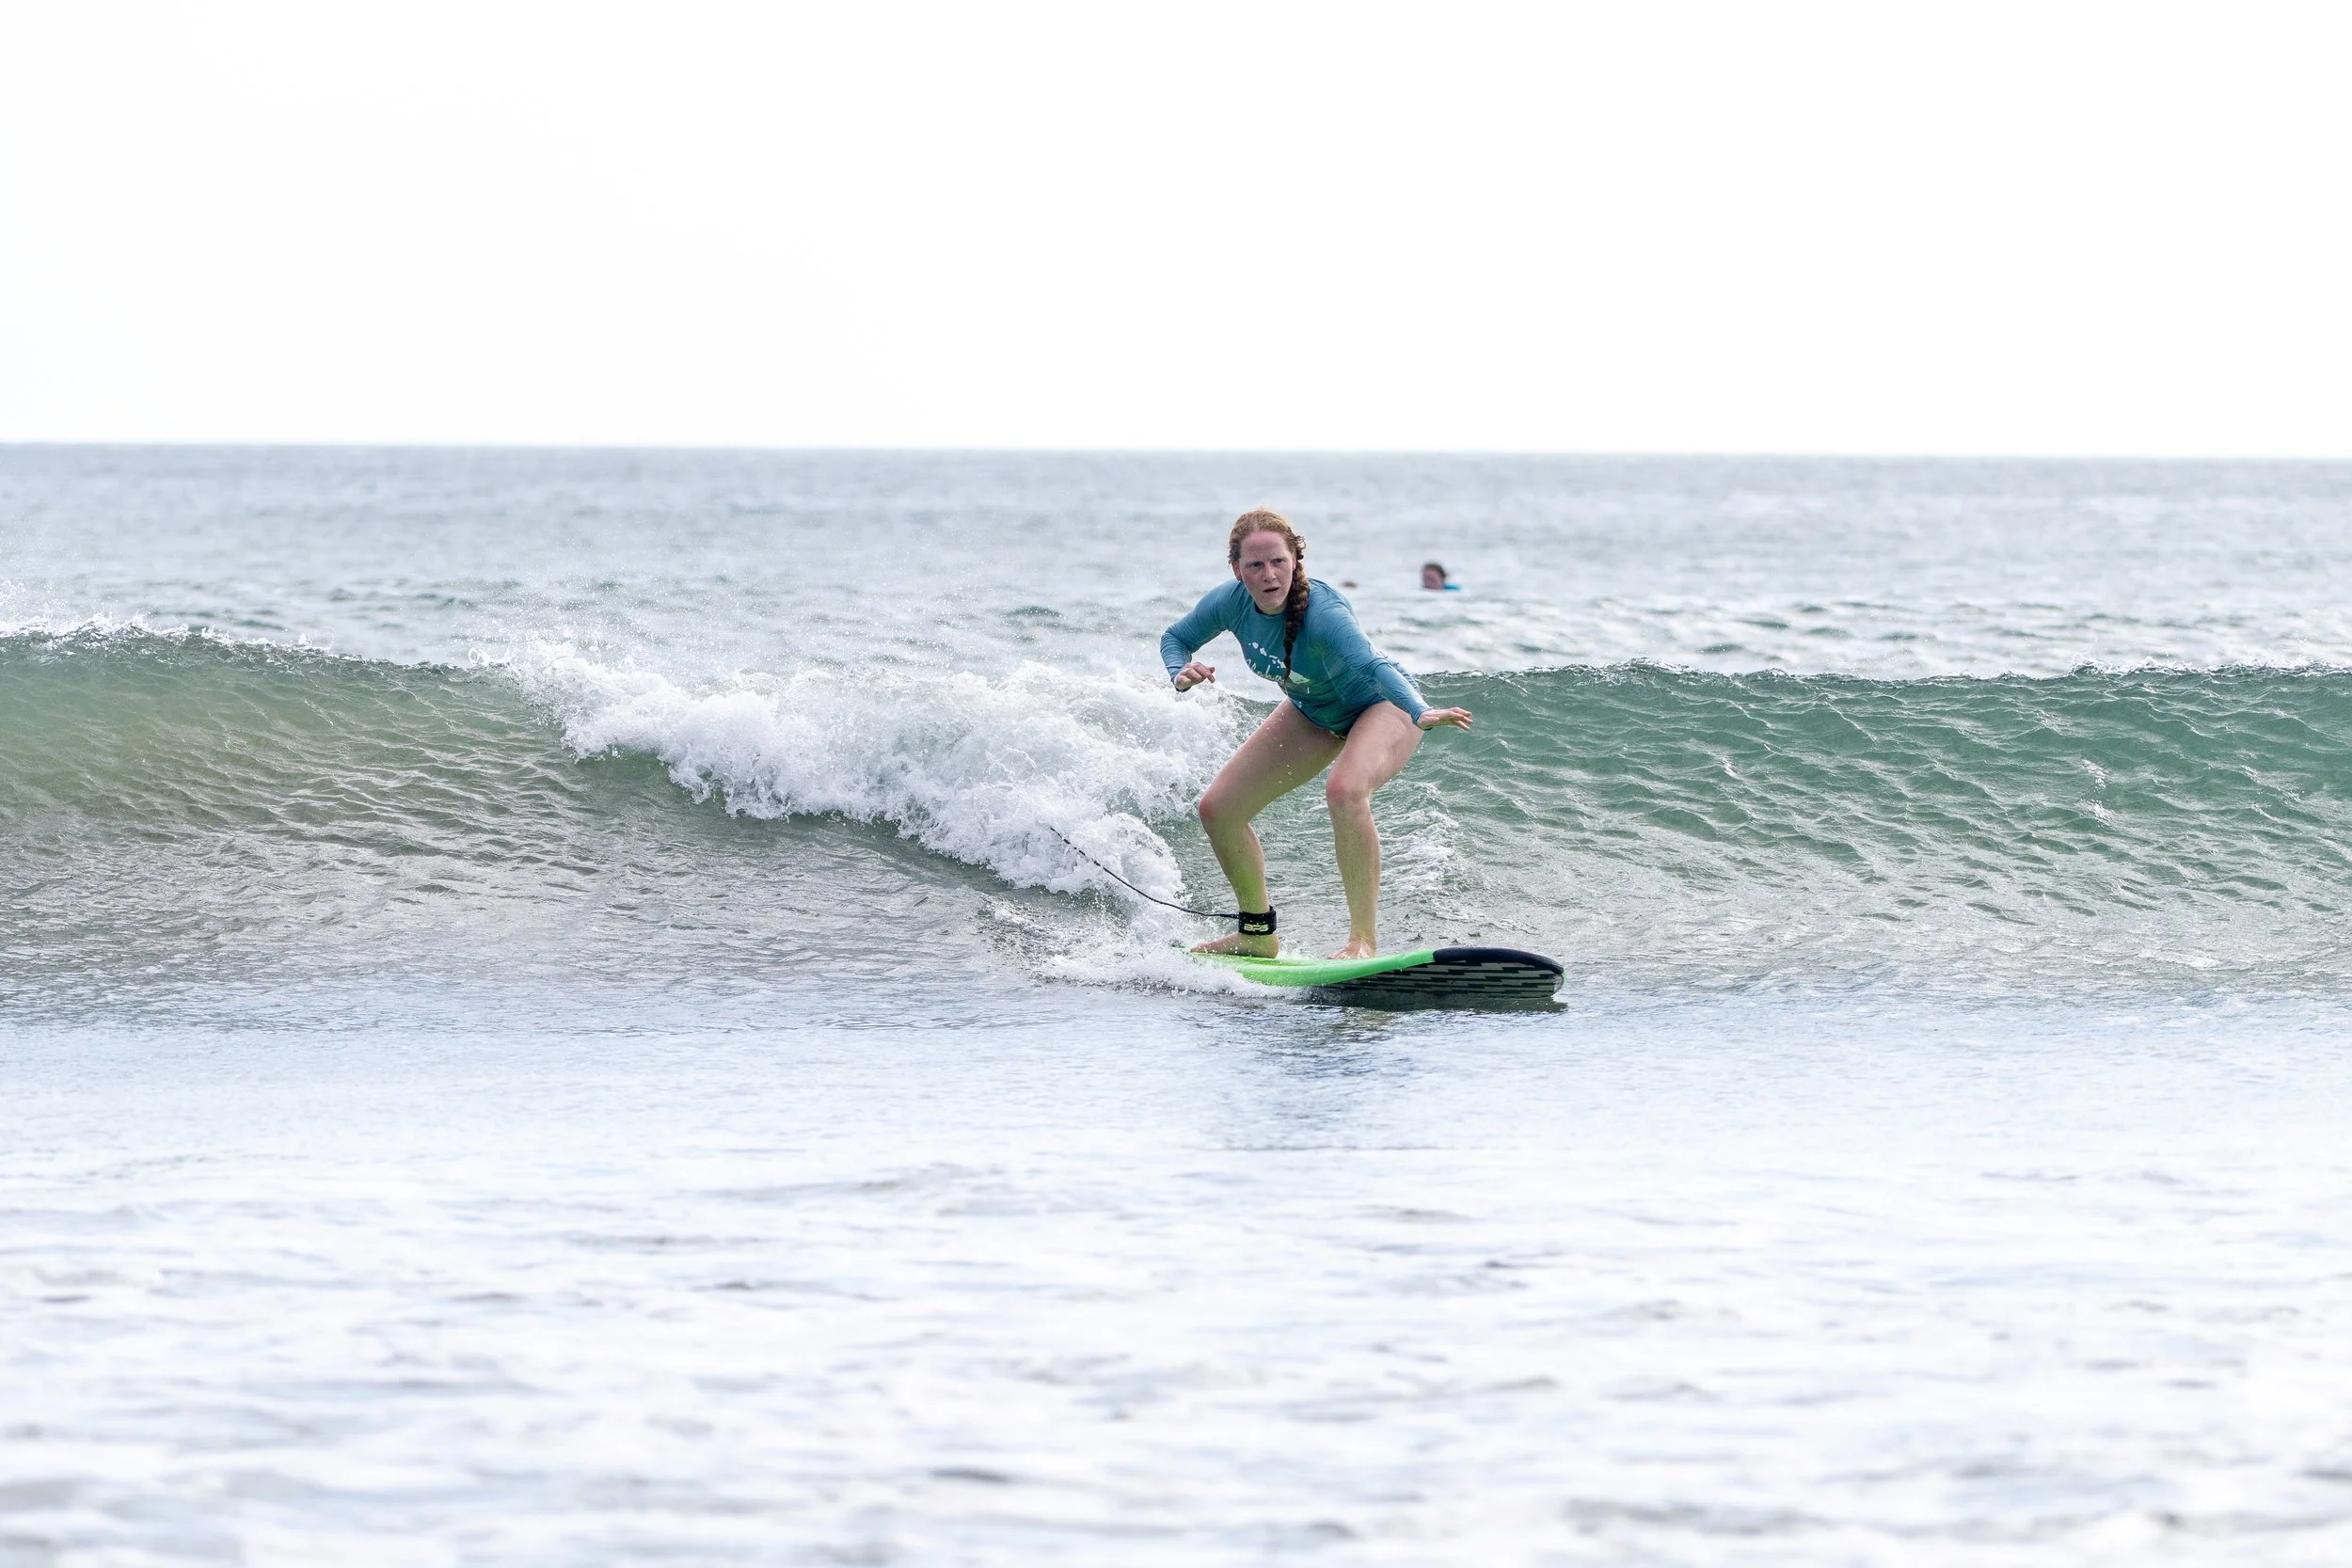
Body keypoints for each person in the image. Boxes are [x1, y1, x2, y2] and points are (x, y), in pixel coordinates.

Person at [1162, 509, 1472, 959]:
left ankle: (1362, 941)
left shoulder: (1323, 610)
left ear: (1295, 561)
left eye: (1279, 562)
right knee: (1218, 809)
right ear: (1237, 570)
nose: (1269, 575)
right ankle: (1256, 934)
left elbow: (1373, 665)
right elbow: (1175, 637)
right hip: (1314, 711)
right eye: (1255, 565)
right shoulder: (1229, 603)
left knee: (1345, 789)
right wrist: (1180, 671)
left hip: (1382, 706)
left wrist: (1419, 711)